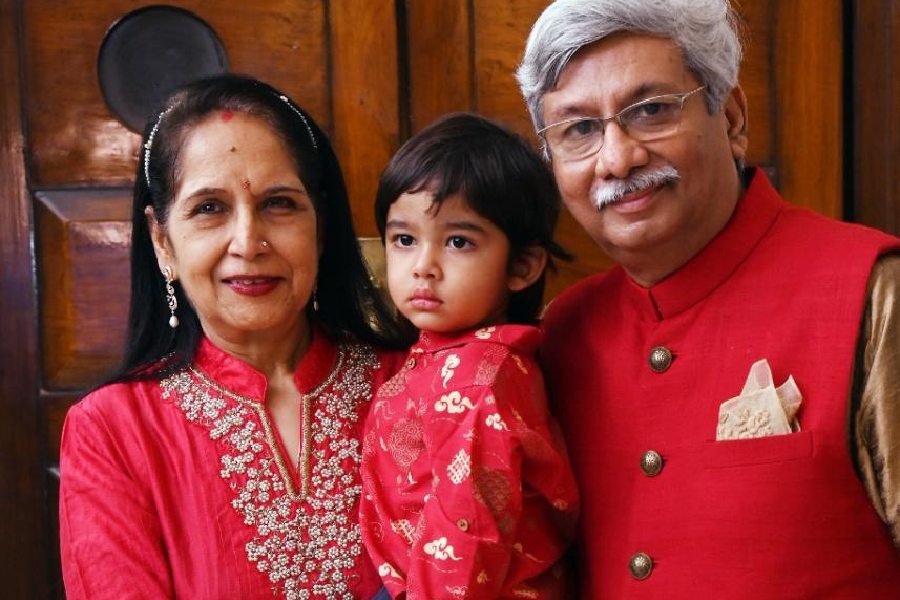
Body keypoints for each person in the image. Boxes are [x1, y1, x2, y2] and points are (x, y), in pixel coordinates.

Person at [516, 0, 900, 597]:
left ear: (732, 117)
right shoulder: (561, 334)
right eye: (580, 129)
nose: (617, 159)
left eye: (651, 111)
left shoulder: (875, 293)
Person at [58, 74, 412, 599]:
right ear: (163, 242)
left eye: (279, 203)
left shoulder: (415, 385)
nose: (248, 241)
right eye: (209, 208)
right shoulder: (113, 431)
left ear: (321, 224)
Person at [358, 113, 579, 599]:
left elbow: (468, 527)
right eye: (405, 239)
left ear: (521, 266)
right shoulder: (437, 355)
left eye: (458, 242)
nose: (423, 267)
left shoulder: (483, 378)